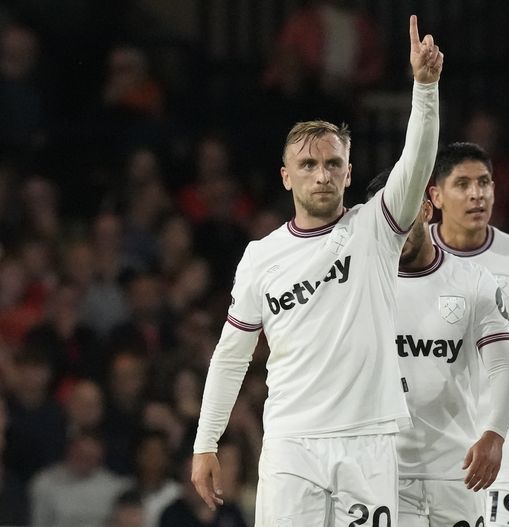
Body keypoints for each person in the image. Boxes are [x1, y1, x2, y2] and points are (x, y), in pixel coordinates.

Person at [191, 15, 443, 527]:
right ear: (286, 177)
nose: (322, 174)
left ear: (350, 172)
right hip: (290, 443)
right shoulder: (261, 257)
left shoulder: (378, 227)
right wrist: (205, 442)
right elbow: (231, 356)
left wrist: (425, 89)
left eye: (332, 164)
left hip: (368, 439)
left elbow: (417, 159)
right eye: (308, 165)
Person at [365, 170, 509, 526]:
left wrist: (495, 435)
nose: (395, 227)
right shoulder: (361, 286)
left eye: (403, 213)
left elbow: (503, 369)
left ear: (426, 210)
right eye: (384, 218)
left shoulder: (473, 280)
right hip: (384, 474)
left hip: (458, 471)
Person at [428, 142, 509, 525]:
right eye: (463, 184)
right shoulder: (408, 259)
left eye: (484, 183)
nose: (476, 194)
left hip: (504, 444)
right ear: (435, 195)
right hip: (431, 446)